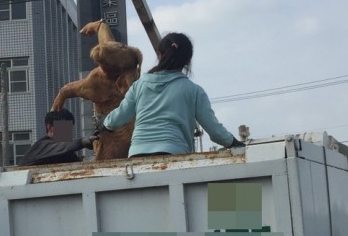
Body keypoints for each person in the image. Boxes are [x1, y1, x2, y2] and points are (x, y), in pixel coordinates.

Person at [100, 32, 244, 157]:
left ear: (159, 54)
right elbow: (215, 131)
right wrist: (234, 143)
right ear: (187, 61)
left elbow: (118, 117)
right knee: (238, 190)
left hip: (137, 157)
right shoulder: (193, 90)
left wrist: (104, 124)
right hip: (175, 156)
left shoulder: (139, 85)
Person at [18, 109, 95, 166]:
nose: (68, 132)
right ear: (49, 127)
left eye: (70, 128)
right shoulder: (41, 147)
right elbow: (61, 147)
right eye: (64, 128)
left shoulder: (67, 153)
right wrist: (82, 141)